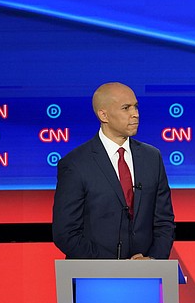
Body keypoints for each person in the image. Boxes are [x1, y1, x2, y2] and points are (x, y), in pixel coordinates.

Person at [52, 82, 175, 259]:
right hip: (94, 276)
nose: (135, 114)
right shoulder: (75, 164)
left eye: (136, 107)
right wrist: (112, 267)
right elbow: (66, 233)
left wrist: (153, 260)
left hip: (146, 274)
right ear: (104, 115)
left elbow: (164, 222)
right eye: (126, 108)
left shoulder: (152, 158)